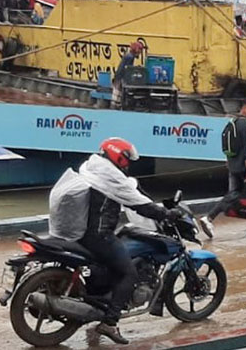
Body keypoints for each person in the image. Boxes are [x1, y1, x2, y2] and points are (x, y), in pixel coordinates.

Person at [71, 138, 172, 344]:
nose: (128, 165)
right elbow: (140, 204)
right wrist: (166, 214)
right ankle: (110, 322)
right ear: (118, 156)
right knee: (129, 273)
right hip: (99, 235)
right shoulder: (112, 177)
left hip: (79, 232)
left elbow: (131, 192)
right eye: (127, 160)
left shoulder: (92, 166)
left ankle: (100, 299)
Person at [202, 98, 246, 237]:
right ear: (244, 108)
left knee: (232, 195)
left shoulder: (233, 122)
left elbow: (228, 146)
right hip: (245, 167)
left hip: (233, 165)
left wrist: (229, 162)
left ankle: (209, 218)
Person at [112, 40, 146, 107]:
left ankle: (115, 105)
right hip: (121, 77)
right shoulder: (130, 57)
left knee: (117, 94)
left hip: (119, 76)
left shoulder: (128, 55)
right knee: (118, 94)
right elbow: (128, 68)